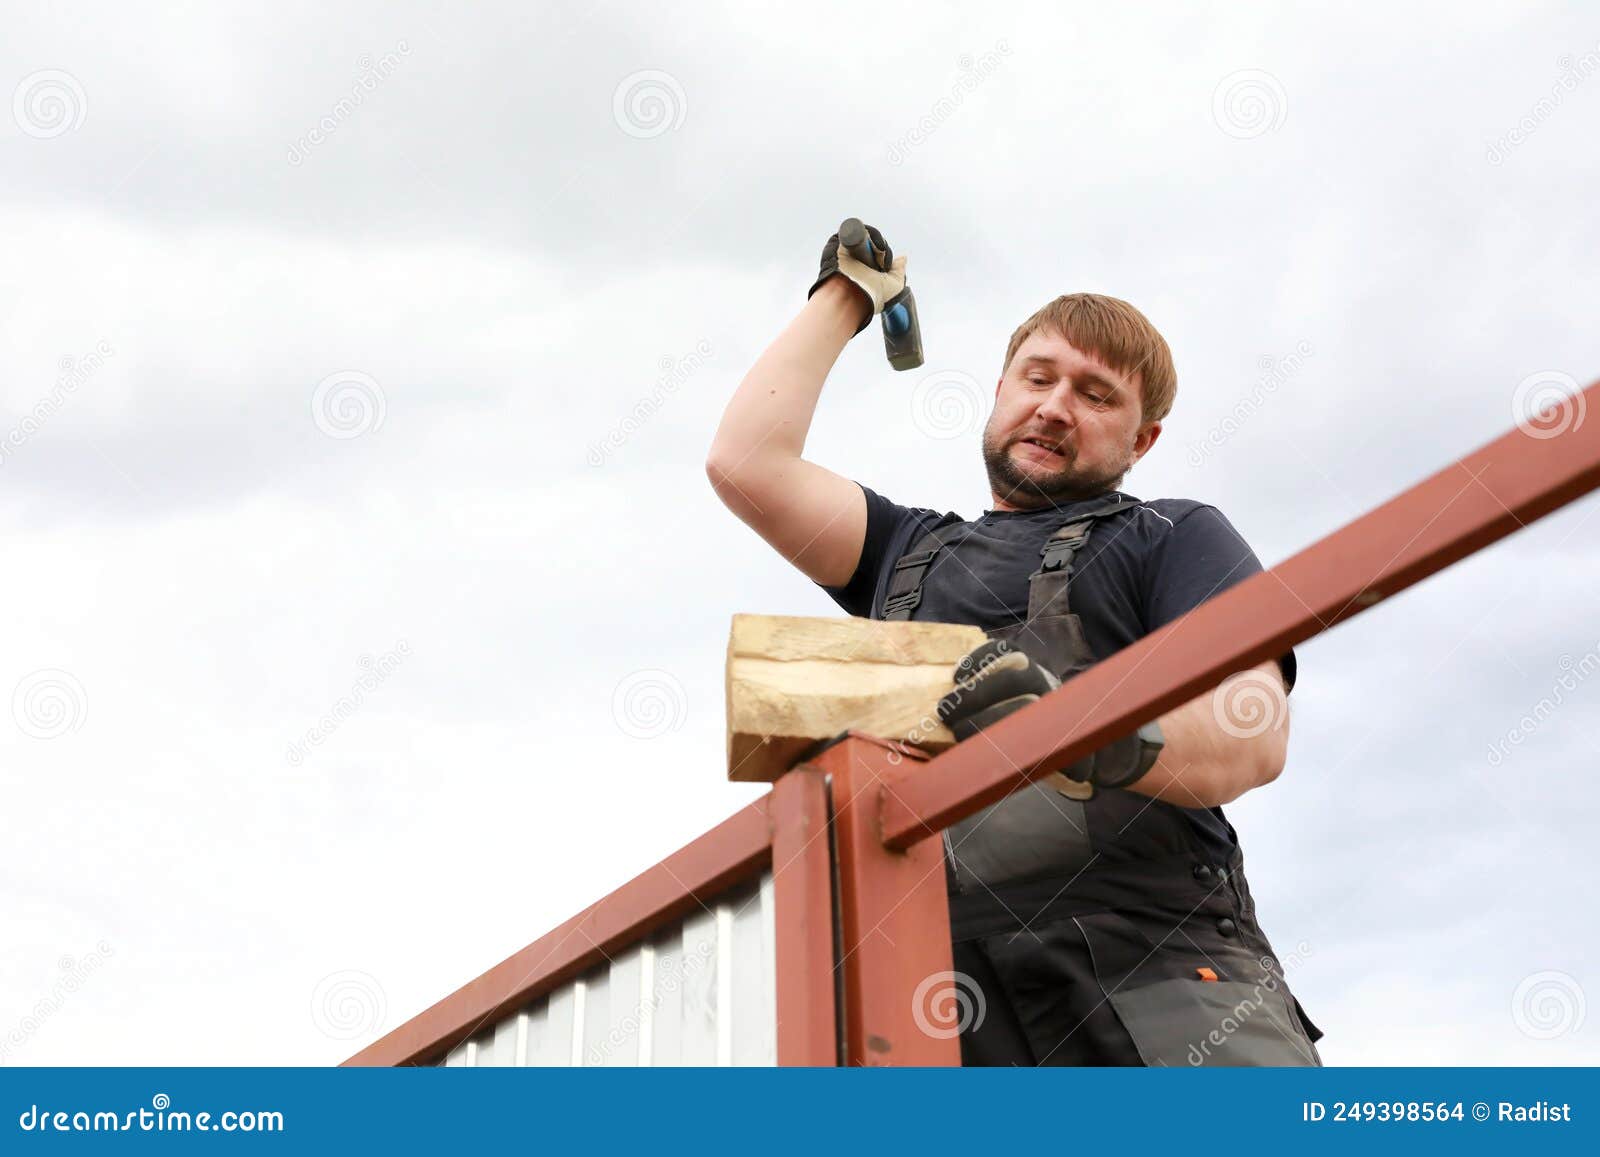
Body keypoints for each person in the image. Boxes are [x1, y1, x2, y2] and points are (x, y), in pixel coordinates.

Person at [706, 222, 1323, 1066]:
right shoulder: (901, 552)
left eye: (1097, 394)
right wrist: (847, 296)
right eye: (1039, 377)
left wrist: (1094, 733)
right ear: (1000, 390)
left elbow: (1251, 726)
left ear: (1142, 442)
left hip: (1165, 985)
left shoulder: (1168, 536)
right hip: (952, 1004)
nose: (1056, 406)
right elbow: (746, 462)